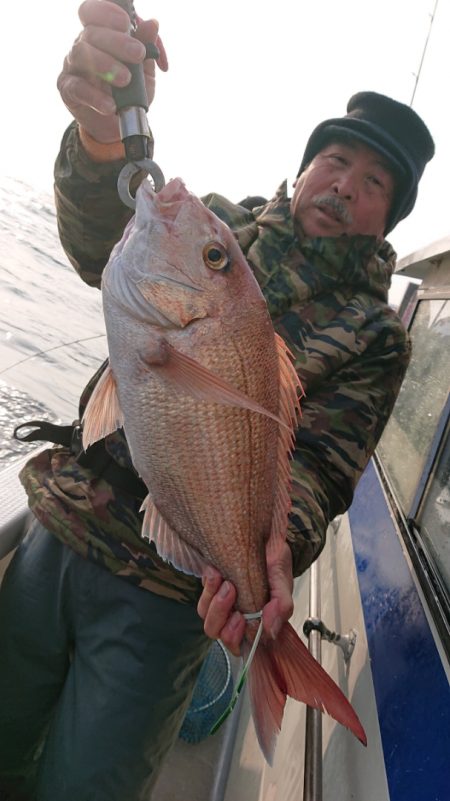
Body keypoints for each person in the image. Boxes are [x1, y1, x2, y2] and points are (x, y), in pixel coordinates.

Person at [0, 1, 435, 799]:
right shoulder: (219, 228)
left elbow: (322, 467)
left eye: (374, 183)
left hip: (171, 595)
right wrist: (105, 135)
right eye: (335, 160)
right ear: (305, 168)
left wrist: (269, 553)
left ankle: (273, 664)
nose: (344, 186)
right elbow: (104, 242)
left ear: (388, 218)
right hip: (63, 523)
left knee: (85, 783)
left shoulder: (374, 334)